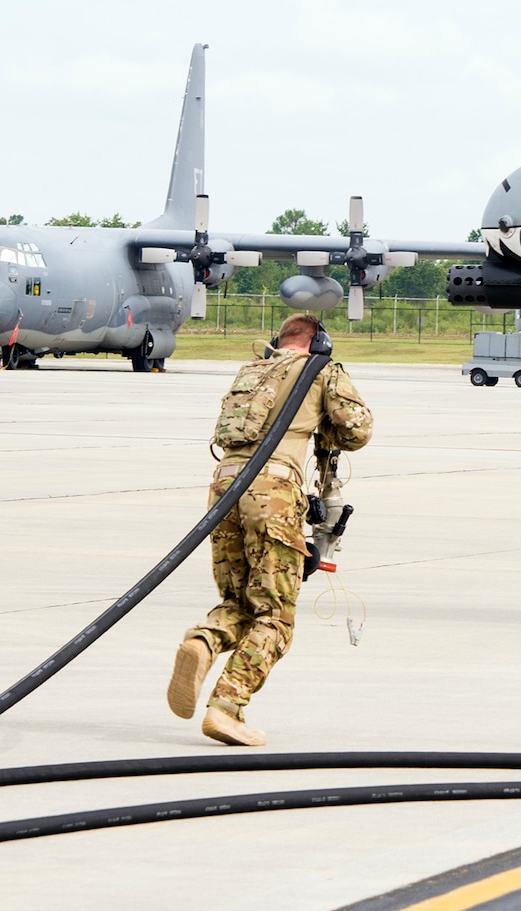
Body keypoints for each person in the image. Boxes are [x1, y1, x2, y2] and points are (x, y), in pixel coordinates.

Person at [166, 312, 372, 746]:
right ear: (320, 343)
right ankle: (227, 708)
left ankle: (203, 643)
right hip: (273, 489)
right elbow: (357, 430)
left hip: (224, 489)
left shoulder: (253, 370)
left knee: (238, 600)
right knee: (275, 617)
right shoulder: (321, 369)